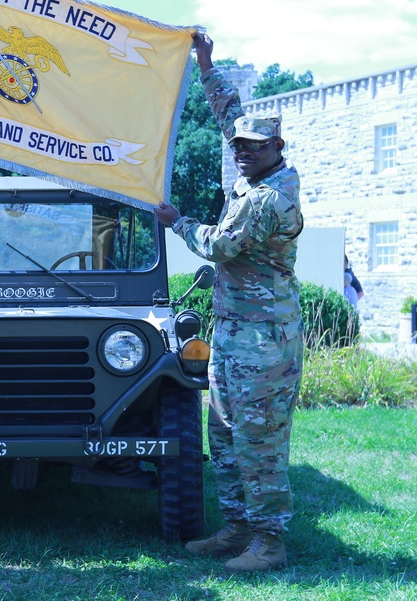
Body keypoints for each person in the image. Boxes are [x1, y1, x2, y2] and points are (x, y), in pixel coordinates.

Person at [154, 32, 304, 573]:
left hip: (265, 342)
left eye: (254, 147)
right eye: (239, 146)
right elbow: (231, 117)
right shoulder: (251, 169)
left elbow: (219, 245)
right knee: (223, 431)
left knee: (259, 440)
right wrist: (205, 62)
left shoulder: (267, 199)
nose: (242, 152)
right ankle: (238, 527)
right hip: (237, 333)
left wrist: (179, 223)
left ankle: (269, 541)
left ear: (277, 150)